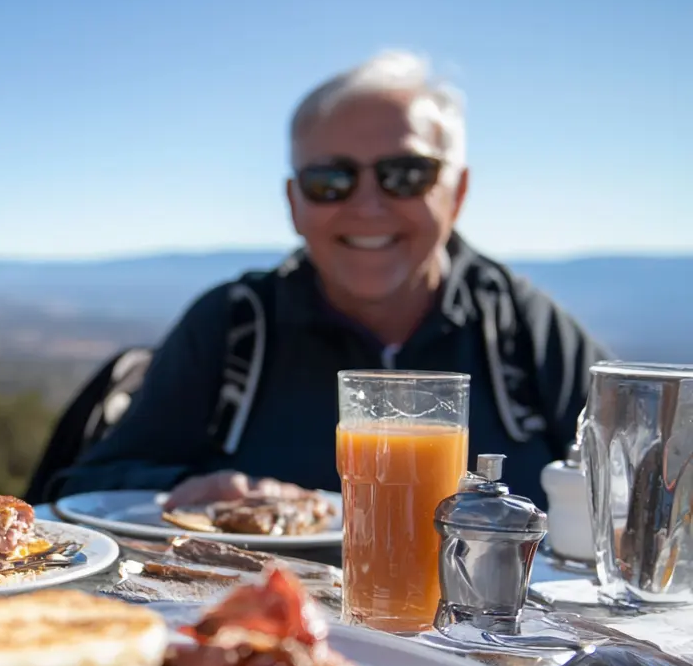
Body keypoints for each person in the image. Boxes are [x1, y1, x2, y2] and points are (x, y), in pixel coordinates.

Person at [47, 50, 608, 511]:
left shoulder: (520, 329)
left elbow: (634, 486)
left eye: (405, 175)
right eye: (330, 180)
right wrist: (183, 491)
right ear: (294, 202)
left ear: (456, 192)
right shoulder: (235, 327)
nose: (367, 205)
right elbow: (82, 489)